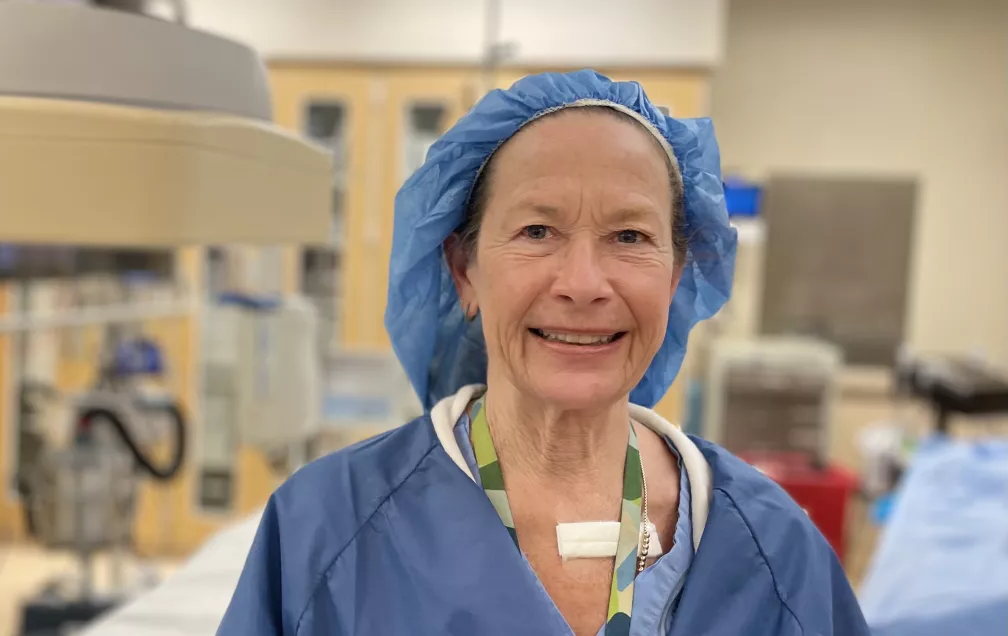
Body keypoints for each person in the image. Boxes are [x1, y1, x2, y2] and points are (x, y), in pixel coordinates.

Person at [217, 70, 868, 635]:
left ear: (676, 276)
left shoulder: (776, 553)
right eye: (537, 230)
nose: (583, 284)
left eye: (630, 235)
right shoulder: (324, 532)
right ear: (464, 269)